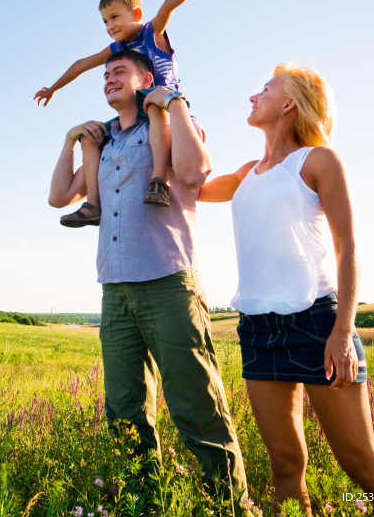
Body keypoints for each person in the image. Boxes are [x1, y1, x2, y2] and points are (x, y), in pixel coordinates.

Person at [198, 63, 374, 516]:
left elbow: (348, 246)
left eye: (264, 88)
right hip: (258, 329)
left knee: (361, 464)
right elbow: (190, 187)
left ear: (288, 103)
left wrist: (342, 331)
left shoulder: (318, 161)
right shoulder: (247, 173)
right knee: (284, 464)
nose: (252, 96)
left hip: (317, 323)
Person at [47, 49, 247, 503]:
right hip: (114, 291)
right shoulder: (105, 143)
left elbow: (196, 173)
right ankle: (142, 503)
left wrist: (173, 101)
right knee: (123, 411)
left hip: (168, 282)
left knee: (197, 404)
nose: (108, 79)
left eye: (118, 71)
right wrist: (70, 140)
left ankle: (229, 506)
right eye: (104, 75)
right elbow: (59, 196)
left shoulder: (169, 124)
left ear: (144, 79)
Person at [36, 0, 224, 225]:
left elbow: (169, 3)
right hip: (137, 111)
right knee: (92, 137)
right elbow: (82, 63)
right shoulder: (117, 49)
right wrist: (54, 87)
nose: (109, 26)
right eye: (104, 21)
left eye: (114, 17)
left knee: (153, 105)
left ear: (136, 15)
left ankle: (158, 180)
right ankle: (93, 205)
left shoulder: (151, 33)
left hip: (165, 104)